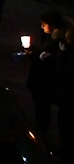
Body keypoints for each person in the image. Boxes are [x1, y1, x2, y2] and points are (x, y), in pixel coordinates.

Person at [27, 10, 66, 132]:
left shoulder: (60, 42)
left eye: (44, 24)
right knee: (39, 107)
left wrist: (45, 57)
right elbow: (40, 53)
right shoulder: (46, 36)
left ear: (53, 25)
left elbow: (58, 62)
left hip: (45, 82)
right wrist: (32, 51)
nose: (42, 26)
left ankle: (41, 132)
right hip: (38, 79)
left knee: (43, 108)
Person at [56, 22, 74, 162]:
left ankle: (66, 152)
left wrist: (62, 54)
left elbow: (64, 71)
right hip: (67, 95)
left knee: (65, 125)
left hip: (69, 97)